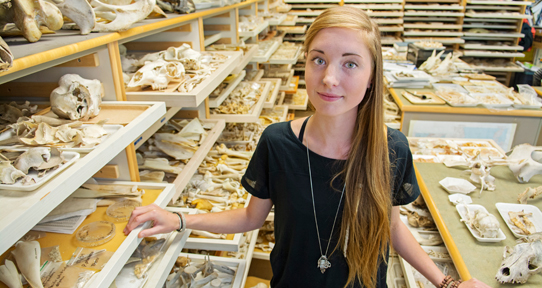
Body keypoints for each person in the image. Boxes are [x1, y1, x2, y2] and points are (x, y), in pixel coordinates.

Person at [124, 7, 491, 288]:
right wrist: (180, 219)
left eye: (350, 64)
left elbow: (392, 226)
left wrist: (447, 282)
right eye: (319, 60)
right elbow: (251, 218)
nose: (329, 78)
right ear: (306, 64)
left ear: (371, 76)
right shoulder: (277, 142)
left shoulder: (391, 149)